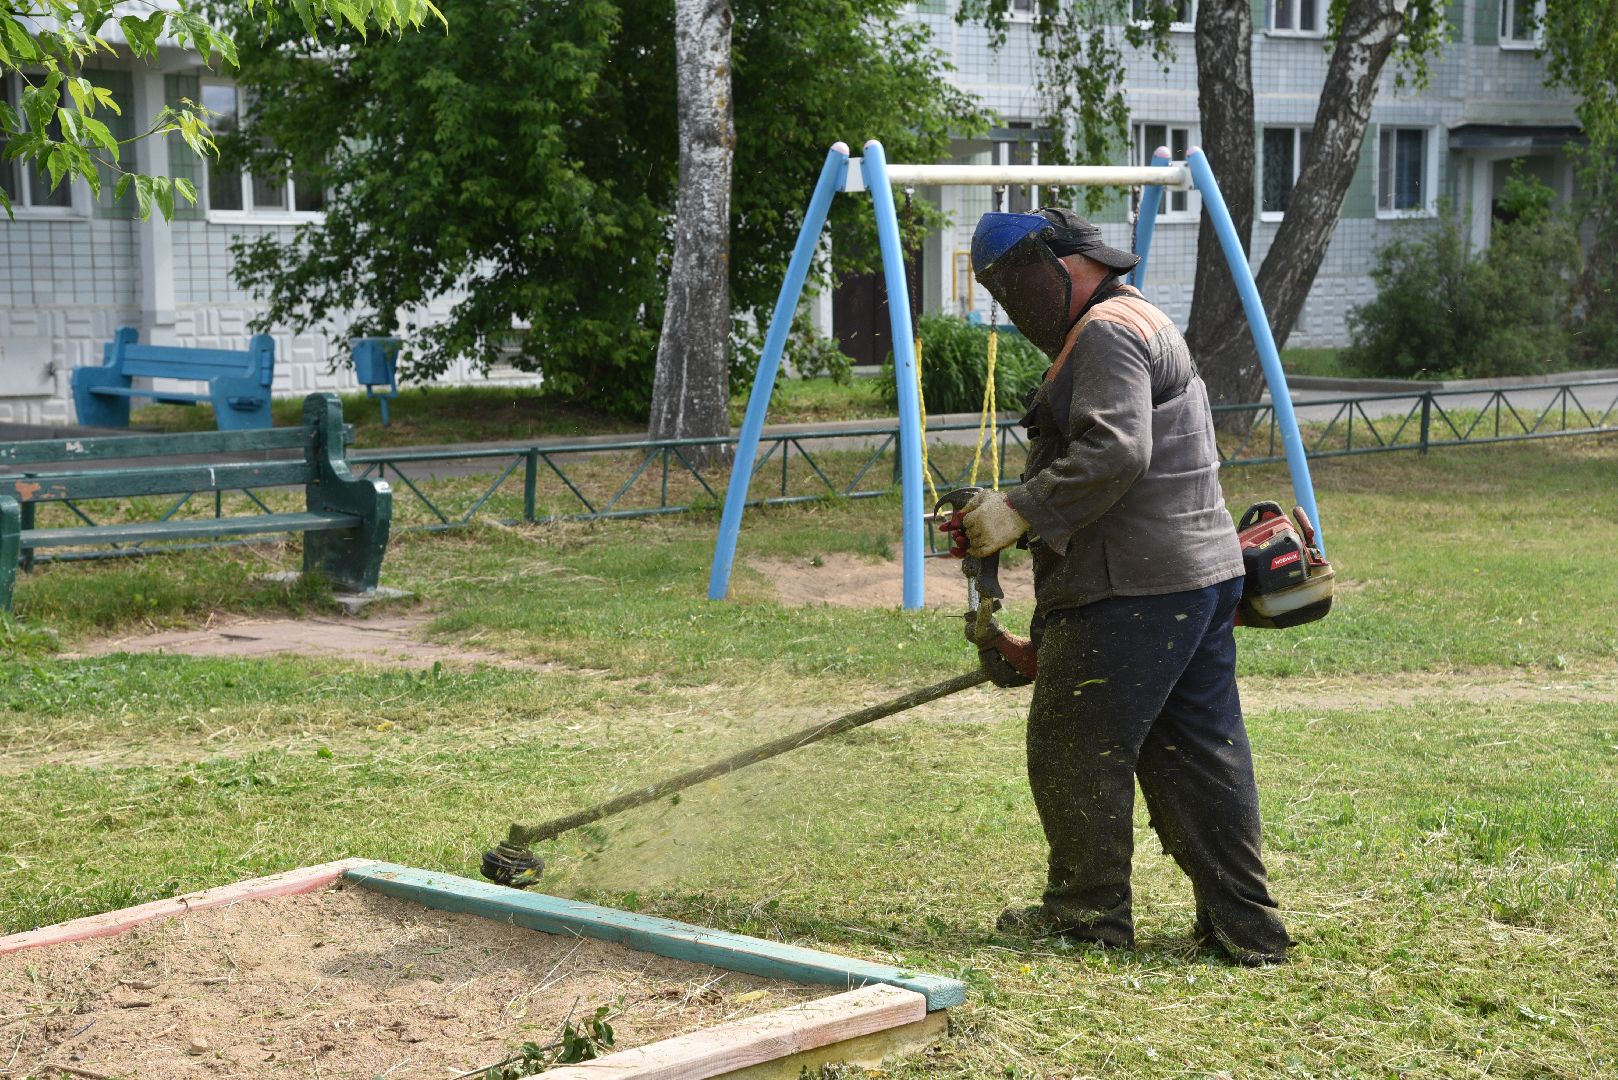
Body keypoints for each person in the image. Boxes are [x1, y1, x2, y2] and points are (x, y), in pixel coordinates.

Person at [956, 207, 1292, 966]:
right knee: (1199, 755)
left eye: (1015, 287)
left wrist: (1017, 511)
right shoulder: (1140, 319)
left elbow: (1118, 450)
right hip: (1190, 580)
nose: (1014, 307)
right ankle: (1246, 925)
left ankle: (1086, 918)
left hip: (1136, 585)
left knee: (1071, 747)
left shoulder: (1106, 332)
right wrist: (1047, 641)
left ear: (1062, 267)